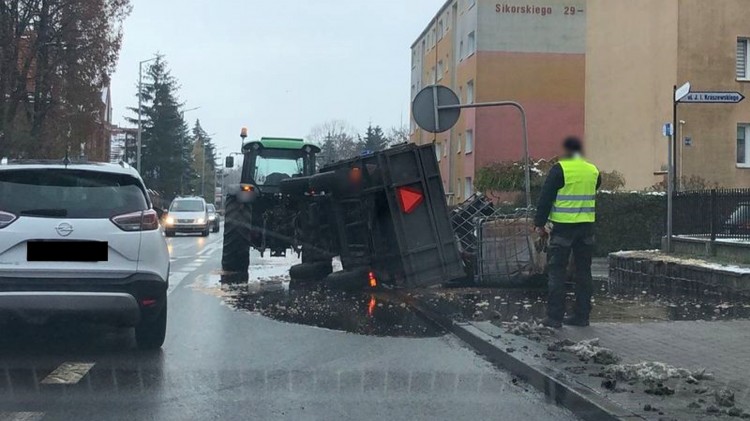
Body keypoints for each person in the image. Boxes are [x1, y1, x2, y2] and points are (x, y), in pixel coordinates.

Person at [534, 136, 601, 328]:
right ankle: (582, 316)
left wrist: (539, 224)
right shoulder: (593, 170)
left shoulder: (560, 169)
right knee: (583, 272)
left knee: (557, 271)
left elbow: (546, 198)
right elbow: (594, 188)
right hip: (586, 228)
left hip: (563, 228)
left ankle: (554, 318)